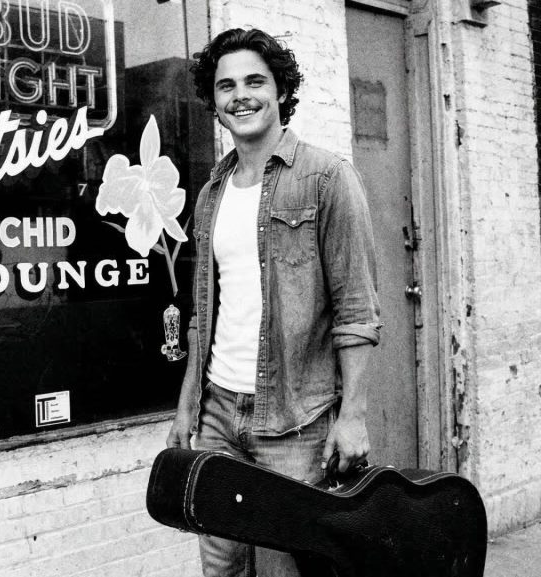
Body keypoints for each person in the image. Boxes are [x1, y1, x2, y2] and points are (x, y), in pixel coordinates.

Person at [166, 28, 381, 577]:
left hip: (296, 422)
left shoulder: (327, 178)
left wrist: (352, 415)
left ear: (281, 90)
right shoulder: (212, 193)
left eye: (255, 81)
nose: (241, 95)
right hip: (218, 414)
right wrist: (187, 405)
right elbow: (203, 315)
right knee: (222, 569)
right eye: (226, 85)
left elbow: (356, 310)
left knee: (287, 571)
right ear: (213, 102)